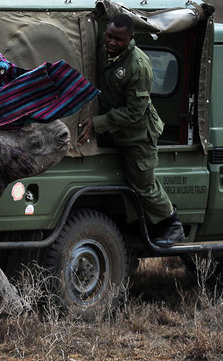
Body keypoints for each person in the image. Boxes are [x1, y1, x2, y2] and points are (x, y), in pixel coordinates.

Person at [77, 14, 184, 247]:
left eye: (118, 39)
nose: (112, 42)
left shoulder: (138, 66)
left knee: (143, 184)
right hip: (114, 128)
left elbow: (135, 112)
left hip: (138, 134)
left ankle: (172, 223)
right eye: (109, 36)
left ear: (130, 39)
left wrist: (97, 123)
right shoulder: (103, 49)